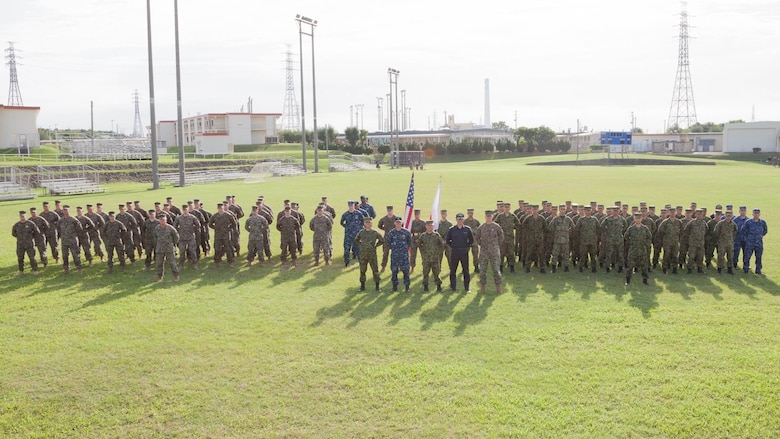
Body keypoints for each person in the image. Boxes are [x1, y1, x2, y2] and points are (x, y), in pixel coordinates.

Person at [475, 210, 504, 293]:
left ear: (492, 217)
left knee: (496, 270)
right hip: (484, 252)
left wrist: (496, 245)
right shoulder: (481, 227)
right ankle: (482, 287)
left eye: (490, 216)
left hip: (494, 252)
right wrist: (482, 245)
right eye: (487, 216)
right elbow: (477, 238)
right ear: (485, 217)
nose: (488, 218)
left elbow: (501, 236)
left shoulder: (496, 226)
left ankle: (498, 287)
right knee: (483, 271)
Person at [445, 213, 475, 292]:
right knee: (453, 270)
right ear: (456, 220)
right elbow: (447, 240)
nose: (460, 221)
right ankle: (453, 287)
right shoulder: (452, 229)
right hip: (454, 251)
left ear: (463, 220)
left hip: (464, 252)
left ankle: (467, 288)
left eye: (461, 219)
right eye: (458, 219)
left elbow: (471, 240)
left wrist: (466, 246)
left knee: (466, 270)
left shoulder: (467, 229)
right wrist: (453, 246)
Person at [354, 217, 384, 291]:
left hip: (372, 254)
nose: (368, 224)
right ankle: (362, 287)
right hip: (363, 254)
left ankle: (377, 287)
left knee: (375, 270)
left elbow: (382, 240)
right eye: (366, 223)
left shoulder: (374, 232)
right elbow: (356, 240)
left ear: (371, 224)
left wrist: (375, 246)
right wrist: (362, 245)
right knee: (362, 271)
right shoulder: (361, 232)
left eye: (369, 223)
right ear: (364, 224)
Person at [624, 212, 652, 285]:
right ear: (634, 219)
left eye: (639, 218)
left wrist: (646, 244)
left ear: (641, 219)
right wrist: (630, 244)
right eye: (636, 218)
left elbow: (649, 237)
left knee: (644, 266)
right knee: (630, 266)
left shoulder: (645, 228)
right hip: (633, 250)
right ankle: (628, 280)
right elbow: (626, 237)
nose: (638, 220)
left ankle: (645, 280)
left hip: (642, 250)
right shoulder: (631, 228)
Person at [386, 218, 413, 292]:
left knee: (406, 271)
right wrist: (395, 249)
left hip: (404, 255)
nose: (398, 224)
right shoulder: (391, 233)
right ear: (394, 223)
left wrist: (403, 249)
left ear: (402, 223)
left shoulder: (406, 232)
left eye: (399, 222)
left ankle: (407, 287)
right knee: (394, 271)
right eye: (397, 222)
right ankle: (394, 287)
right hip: (395, 255)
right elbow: (388, 243)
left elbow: (410, 243)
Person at [12, 210, 41, 276]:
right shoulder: (17, 225)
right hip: (20, 245)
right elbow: (13, 233)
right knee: (20, 258)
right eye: (21, 216)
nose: (23, 217)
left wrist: (31, 238)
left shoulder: (31, 224)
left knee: (32, 258)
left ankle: (35, 270)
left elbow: (37, 232)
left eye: (24, 216)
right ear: (19, 216)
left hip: (29, 244)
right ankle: (21, 271)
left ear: (26, 216)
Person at [57, 205, 84, 275]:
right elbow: (58, 229)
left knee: (76, 255)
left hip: (73, 241)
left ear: (69, 211)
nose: (65, 212)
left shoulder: (74, 220)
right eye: (64, 210)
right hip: (64, 241)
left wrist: (74, 236)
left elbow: (80, 229)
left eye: (67, 210)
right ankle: (66, 269)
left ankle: (79, 268)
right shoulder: (61, 220)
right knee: (65, 256)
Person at [419, 220, 445, 292]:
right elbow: (419, 245)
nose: (430, 227)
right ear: (426, 226)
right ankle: (425, 287)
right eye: (428, 226)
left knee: (436, 273)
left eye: (431, 226)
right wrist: (423, 253)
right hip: (426, 258)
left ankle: (439, 287)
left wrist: (438, 253)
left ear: (433, 226)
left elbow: (442, 244)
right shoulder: (423, 236)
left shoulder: (436, 235)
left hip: (435, 258)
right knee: (425, 273)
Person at [547, 205, 574, 273]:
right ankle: (553, 267)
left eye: (564, 209)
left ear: (565, 210)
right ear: (559, 210)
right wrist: (556, 232)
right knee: (555, 254)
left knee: (566, 254)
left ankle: (566, 267)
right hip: (557, 240)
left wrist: (568, 232)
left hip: (565, 240)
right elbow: (550, 228)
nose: (562, 211)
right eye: (561, 209)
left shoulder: (568, 219)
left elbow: (573, 227)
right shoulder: (555, 219)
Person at [174, 205, 201, 270]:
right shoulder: (179, 218)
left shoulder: (192, 217)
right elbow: (174, 226)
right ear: (182, 210)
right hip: (182, 238)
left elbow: (198, 225)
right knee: (182, 252)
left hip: (190, 237)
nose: (185, 211)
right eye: (184, 210)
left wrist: (193, 230)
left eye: (186, 210)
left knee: (192, 251)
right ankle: (181, 265)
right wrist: (179, 231)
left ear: (188, 210)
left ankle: (195, 264)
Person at [494, 203, 519, 273]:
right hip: (502, 238)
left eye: (508, 207)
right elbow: (495, 224)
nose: (506, 209)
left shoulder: (513, 216)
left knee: (511, 253)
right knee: (501, 253)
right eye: (505, 207)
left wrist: (512, 227)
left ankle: (512, 267)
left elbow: (518, 224)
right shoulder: (500, 216)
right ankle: (500, 267)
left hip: (510, 238)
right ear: (504, 208)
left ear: (509, 208)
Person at [742, 208, 768, 274]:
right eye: (755, 213)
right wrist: (747, 239)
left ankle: (758, 270)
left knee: (759, 257)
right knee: (747, 256)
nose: (756, 215)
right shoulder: (748, 222)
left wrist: (759, 236)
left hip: (759, 243)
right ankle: (746, 268)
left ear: (759, 214)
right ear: (752, 214)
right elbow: (743, 231)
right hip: (749, 243)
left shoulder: (762, 222)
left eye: (757, 213)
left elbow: (765, 231)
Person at [154, 214, 180, 281]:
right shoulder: (157, 228)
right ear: (159, 220)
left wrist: (172, 244)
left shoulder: (170, 228)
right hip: (160, 249)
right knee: (159, 263)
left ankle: (176, 275)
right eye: (161, 220)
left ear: (166, 220)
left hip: (169, 248)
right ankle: (159, 276)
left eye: (164, 220)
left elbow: (176, 237)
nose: (162, 221)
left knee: (172, 263)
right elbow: (155, 237)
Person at [340, 201, 365, 266]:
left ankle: (360, 262)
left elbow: (363, 221)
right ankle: (346, 262)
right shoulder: (345, 214)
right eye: (350, 206)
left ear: (354, 206)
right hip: (348, 235)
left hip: (356, 234)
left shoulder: (358, 213)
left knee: (358, 249)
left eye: (352, 206)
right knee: (346, 249)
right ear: (348, 206)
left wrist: (359, 228)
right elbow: (341, 222)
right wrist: (347, 227)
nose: (351, 207)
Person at [523, 205, 547, 273]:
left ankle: (542, 268)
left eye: (536, 209)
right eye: (534, 209)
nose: (535, 211)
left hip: (539, 239)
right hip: (531, 239)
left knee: (541, 254)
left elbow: (545, 228)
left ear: (538, 210)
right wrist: (528, 234)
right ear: (532, 210)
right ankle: (528, 267)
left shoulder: (541, 218)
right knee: (529, 253)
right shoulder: (528, 218)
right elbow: (524, 226)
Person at [576, 206, 600, 273]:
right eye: (586, 211)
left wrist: (595, 237)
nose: (588, 212)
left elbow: (599, 228)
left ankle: (594, 269)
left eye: (589, 211)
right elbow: (577, 229)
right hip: (584, 242)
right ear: (584, 211)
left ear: (591, 211)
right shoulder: (581, 220)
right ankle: (581, 269)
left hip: (592, 241)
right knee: (582, 256)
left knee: (593, 256)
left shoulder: (594, 219)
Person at [684, 209, 708, 274]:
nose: (699, 215)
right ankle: (689, 269)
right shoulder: (691, 222)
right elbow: (686, 231)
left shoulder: (704, 223)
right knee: (691, 256)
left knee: (700, 257)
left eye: (700, 214)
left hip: (701, 243)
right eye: (698, 214)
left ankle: (700, 269)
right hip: (693, 243)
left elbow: (706, 231)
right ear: (695, 215)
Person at [377, 205, 397, 272]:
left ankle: (396, 266)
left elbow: (401, 226)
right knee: (385, 254)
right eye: (388, 211)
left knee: (395, 254)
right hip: (387, 238)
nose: (389, 212)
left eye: (390, 211)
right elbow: (379, 225)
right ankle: (383, 266)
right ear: (387, 211)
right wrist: (385, 229)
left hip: (395, 238)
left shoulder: (396, 218)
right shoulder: (384, 219)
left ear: (392, 211)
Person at [463, 208, 481, 273]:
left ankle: (476, 267)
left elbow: (480, 230)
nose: (470, 214)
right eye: (469, 213)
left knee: (475, 255)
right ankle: (464, 268)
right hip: (466, 241)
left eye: (471, 213)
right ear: (467, 213)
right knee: (464, 256)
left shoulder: (476, 221)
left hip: (474, 241)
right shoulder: (464, 222)